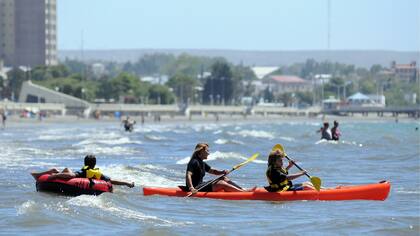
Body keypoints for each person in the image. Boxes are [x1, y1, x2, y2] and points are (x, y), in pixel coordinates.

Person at [185, 143, 254, 193]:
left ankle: (242, 189)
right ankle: (242, 192)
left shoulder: (202, 163)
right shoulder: (194, 162)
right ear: (201, 152)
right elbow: (188, 175)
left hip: (201, 185)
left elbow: (213, 171)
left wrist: (222, 172)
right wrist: (191, 188)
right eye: (207, 151)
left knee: (223, 178)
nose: (208, 153)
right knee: (221, 183)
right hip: (196, 188)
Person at [31, 155, 134, 188]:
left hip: (78, 179)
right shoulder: (87, 172)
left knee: (67, 169)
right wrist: (53, 176)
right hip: (69, 177)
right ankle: (53, 172)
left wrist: (127, 183)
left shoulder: (93, 173)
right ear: (95, 164)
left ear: (85, 163)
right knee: (69, 173)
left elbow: (110, 181)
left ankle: (52, 172)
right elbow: (112, 181)